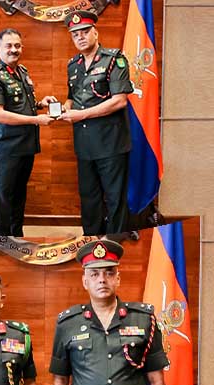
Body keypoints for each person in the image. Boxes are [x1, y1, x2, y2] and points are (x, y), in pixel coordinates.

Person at [50, 239, 168, 385]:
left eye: (109, 273)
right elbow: (59, 382)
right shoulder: (68, 324)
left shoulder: (143, 319)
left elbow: (157, 381)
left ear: (118, 279)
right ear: (85, 281)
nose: (102, 279)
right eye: (94, 274)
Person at [60, 11, 133, 235]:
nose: (80, 37)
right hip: (84, 144)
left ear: (95, 32)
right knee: (89, 198)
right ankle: (92, 241)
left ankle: (115, 241)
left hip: (110, 143)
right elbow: (72, 97)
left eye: (84, 32)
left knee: (114, 198)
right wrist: (64, 107)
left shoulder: (114, 60)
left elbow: (119, 101)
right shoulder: (73, 65)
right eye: (75, 35)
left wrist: (81, 115)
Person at [0, 28, 56, 237]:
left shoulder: (22, 72)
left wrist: (41, 103)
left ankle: (17, 240)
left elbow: (21, 105)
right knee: (3, 202)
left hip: (25, 147)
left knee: (18, 198)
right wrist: (36, 120)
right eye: (9, 46)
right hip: (5, 149)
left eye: (17, 46)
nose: (14, 50)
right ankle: (3, 243)